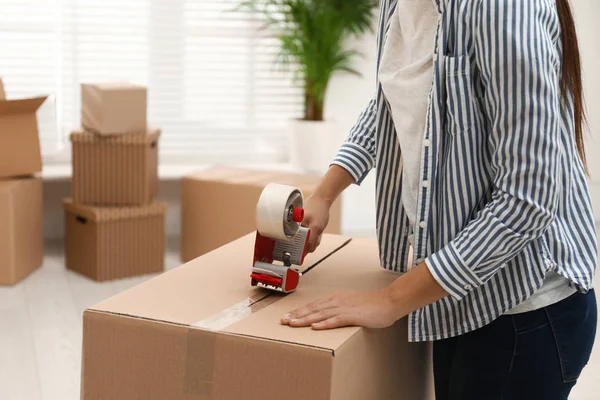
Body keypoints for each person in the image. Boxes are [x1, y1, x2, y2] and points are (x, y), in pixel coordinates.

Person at [280, 0, 598, 399]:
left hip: (522, 311)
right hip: (454, 294)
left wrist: (391, 300)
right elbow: (395, 99)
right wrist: (326, 192)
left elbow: (528, 197)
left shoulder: (502, 7)